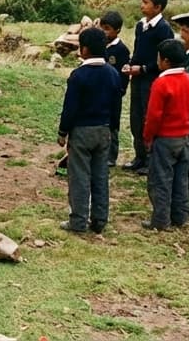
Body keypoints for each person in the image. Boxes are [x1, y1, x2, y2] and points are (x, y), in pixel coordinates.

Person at [57, 27, 119, 234]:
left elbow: (70, 107)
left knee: (79, 177)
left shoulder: (79, 75)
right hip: (104, 130)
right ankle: (100, 219)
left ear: (84, 49)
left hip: (82, 131)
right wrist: (113, 128)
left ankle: (78, 221)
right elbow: (116, 105)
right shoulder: (112, 74)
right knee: (100, 175)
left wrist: (63, 131)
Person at [142, 40, 189, 231]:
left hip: (165, 138)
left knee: (161, 180)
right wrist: (188, 131)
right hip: (183, 137)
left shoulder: (161, 83)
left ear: (165, 61)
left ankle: (160, 220)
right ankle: (180, 217)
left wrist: (148, 137)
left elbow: (154, 115)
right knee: (181, 180)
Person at [124, 0, 172, 175]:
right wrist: (131, 65)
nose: (141, 6)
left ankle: (151, 160)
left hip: (151, 79)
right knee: (135, 117)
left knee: (148, 117)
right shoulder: (140, 26)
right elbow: (138, 51)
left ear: (158, 7)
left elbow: (163, 59)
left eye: (146, 3)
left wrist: (143, 68)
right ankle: (139, 156)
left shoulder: (163, 29)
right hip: (137, 78)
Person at [99, 11, 131, 168]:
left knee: (113, 124)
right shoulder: (100, 46)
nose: (104, 32)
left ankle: (112, 156)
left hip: (114, 94)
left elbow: (124, 74)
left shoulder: (121, 50)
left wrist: (120, 90)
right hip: (99, 93)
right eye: (102, 28)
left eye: (108, 28)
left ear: (117, 30)